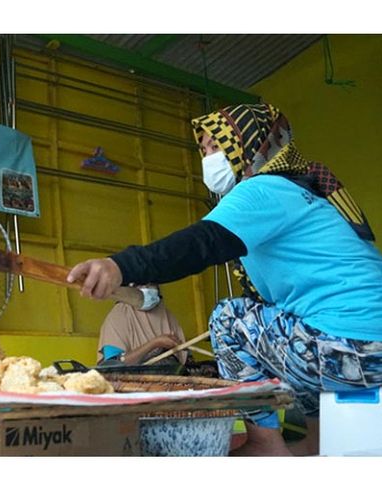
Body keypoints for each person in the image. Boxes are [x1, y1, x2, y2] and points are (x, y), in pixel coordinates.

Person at [67, 103, 382, 456]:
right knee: (292, 322)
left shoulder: (263, 189)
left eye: (216, 146)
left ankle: (265, 443)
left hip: (345, 345)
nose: (208, 158)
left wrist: (120, 266)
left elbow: (201, 243)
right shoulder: (307, 194)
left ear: (250, 145)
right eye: (202, 150)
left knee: (228, 319)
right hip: (368, 351)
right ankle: (317, 442)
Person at [97, 284, 187, 367]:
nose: (147, 288)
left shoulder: (167, 316)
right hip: (132, 384)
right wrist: (155, 343)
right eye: (141, 284)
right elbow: (112, 364)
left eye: (151, 284)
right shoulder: (119, 315)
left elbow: (185, 359)